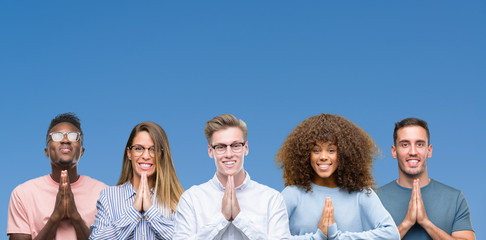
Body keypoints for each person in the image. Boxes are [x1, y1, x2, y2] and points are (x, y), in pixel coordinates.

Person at [276, 114, 400, 240]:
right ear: (306, 154)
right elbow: (271, 237)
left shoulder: (361, 195)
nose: (323, 157)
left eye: (331, 150)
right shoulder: (292, 195)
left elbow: (391, 234)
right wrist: (318, 237)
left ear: (344, 154)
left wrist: (337, 237)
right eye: (316, 150)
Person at [173, 113, 291, 240]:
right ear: (210, 151)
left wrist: (240, 218)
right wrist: (221, 218)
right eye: (221, 147)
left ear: (245, 148)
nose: (228, 154)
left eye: (235, 146)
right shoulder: (191, 199)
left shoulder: (272, 199)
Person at [7, 112, 107, 239]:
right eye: (56, 136)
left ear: (82, 151)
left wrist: (75, 217)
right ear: (46, 151)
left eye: (73, 136)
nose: (65, 140)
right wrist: (55, 217)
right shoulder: (22, 194)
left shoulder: (105, 194)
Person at [377, 118, 475, 239]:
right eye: (405, 144)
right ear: (394, 151)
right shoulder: (374, 199)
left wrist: (426, 223)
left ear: (429, 150)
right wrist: (406, 224)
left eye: (419, 144)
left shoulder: (455, 199)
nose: (412, 152)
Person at [90, 121, 184, 239]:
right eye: (139, 148)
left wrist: (150, 211)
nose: (145, 156)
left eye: (153, 149)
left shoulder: (178, 200)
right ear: (129, 153)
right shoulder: (109, 197)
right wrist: (134, 211)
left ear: (162, 155)